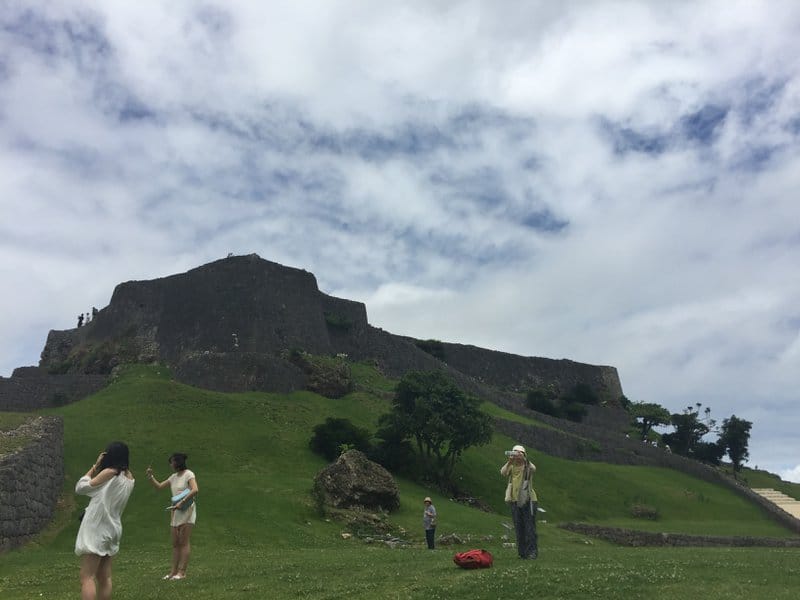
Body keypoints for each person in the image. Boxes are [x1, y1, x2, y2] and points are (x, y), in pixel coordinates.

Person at [74, 441, 135, 600]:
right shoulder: (129, 477)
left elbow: (81, 487)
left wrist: (95, 466)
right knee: (104, 577)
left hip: (98, 527)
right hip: (113, 528)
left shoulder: (110, 473)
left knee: (86, 577)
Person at [145, 452, 199, 580]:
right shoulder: (173, 477)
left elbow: (195, 489)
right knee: (175, 543)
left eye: (172, 462)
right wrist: (150, 476)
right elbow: (159, 487)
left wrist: (182, 502)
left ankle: (182, 572)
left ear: (177, 462)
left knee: (184, 542)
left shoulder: (189, 474)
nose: (171, 464)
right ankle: (173, 572)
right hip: (175, 510)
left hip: (187, 509)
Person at [500, 444, 538, 559]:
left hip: (528, 499)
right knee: (519, 526)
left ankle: (532, 552)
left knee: (529, 527)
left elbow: (533, 468)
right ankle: (522, 553)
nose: (516, 455)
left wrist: (524, 459)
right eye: (514, 453)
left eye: (519, 453)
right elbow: (503, 472)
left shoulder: (527, 466)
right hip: (514, 500)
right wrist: (509, 462)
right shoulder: (511, 466)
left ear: (524, 454)